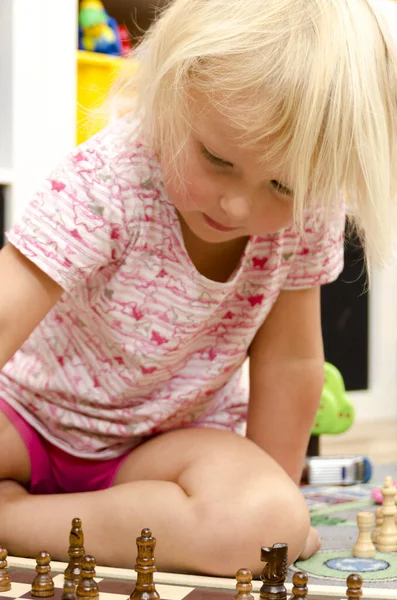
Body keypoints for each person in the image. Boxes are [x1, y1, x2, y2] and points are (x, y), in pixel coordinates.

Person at [0, 0, 396, 577]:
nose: (238, 206)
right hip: (27, 420)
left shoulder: (310, 212)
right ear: (170, 91)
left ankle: (12, 520)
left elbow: (290, 359)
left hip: (165, 451)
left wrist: (278, 500)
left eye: (281, 186)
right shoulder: (108, 179)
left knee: (264, 524)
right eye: (217, 159)